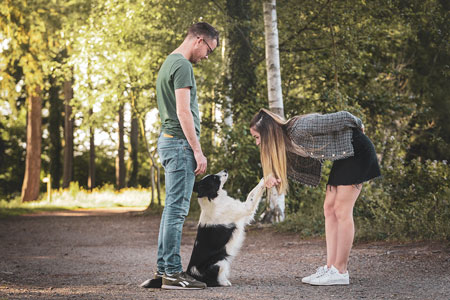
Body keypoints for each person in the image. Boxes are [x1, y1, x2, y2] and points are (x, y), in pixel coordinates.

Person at [249, 108, 381, 286]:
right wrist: (271, 175)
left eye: (257, 137)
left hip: (357, 151)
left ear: (268, 133)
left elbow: (342, 117)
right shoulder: (285, 142)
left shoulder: (299, 128)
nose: (257, 143)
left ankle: (340, 271)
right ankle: (330, 267)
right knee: (329, 208)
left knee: (342, 210)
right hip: (344, 155)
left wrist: (359, 125)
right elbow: (278, 163)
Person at [140, 22, 219, 290]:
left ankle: (164, 270)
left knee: (171, 210)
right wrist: (197, 150)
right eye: (209, 50)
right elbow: (183, 111)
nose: (207, 56)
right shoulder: (183, 65)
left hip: (169, 142)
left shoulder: (169, 62)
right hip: (180, 145)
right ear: (199, 40)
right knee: (176, 212)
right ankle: (173, 273)